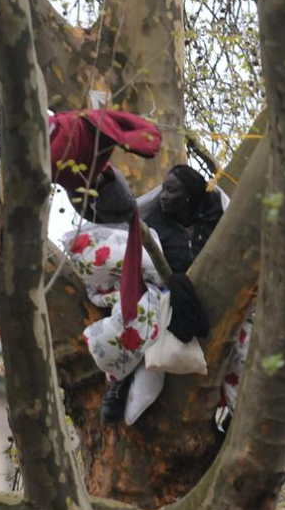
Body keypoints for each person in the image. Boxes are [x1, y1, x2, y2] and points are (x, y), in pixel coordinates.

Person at [94, 164, 226, 422]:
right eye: (163, 189)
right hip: (158, 297)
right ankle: (120, 384)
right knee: (137, 318)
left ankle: (226, 413)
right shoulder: (154, 225)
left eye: (171, 191)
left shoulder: (214, 221)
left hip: (206, 303)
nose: (163, 195)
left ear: (189, 195)